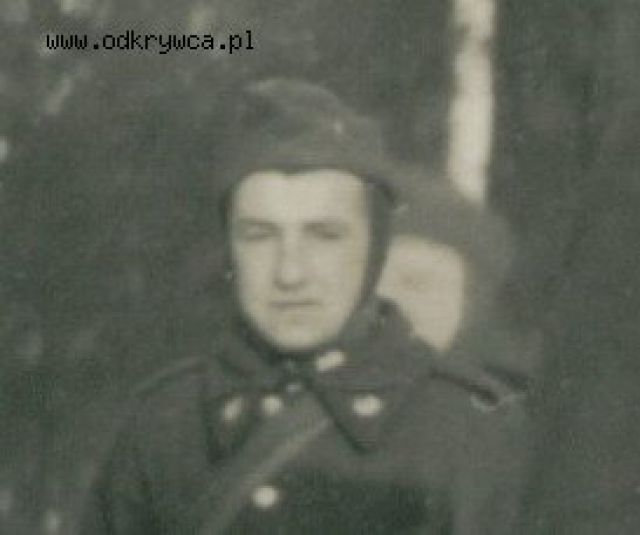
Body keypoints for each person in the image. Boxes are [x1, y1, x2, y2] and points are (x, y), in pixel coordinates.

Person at [79, 78, 529, 534]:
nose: (290, 273)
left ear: (374, 248)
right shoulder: (164, 422)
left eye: (325, 236)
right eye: (259, 236)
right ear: (229, 250)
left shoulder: (470, 429)